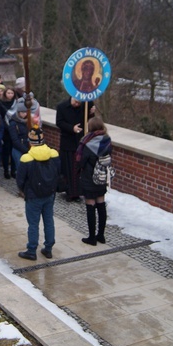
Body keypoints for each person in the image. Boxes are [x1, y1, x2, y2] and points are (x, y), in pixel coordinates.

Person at [17, 126, 60, 261]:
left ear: (30, 142)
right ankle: (48, 248)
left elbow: (20, 180)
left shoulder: (26, 158)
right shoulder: (53, 154)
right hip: (50, 194)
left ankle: (31, 250)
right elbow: (59, 172)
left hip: (33, 196)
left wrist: (24, 191)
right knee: (49, 220)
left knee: (33, 224)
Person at [75, 117, 112, 245]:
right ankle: (101, 235)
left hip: (89, 178)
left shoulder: (87, 143)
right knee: (101, 204)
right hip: (101, 176)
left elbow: (80, 161)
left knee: (90, 205)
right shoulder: (107, 140)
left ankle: (92, 237)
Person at [56, 97, 95, 202]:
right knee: (68, 169)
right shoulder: (61, 106)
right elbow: (59, 122)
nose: (77, 104)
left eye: (79, 102)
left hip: (80, 141)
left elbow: (90, 120)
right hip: (67, 142)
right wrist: (71, 128)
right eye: (75, 102)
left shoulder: (86, 104)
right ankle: (69, 192)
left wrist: (91, 113)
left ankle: (77, 192)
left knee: (78, 169)